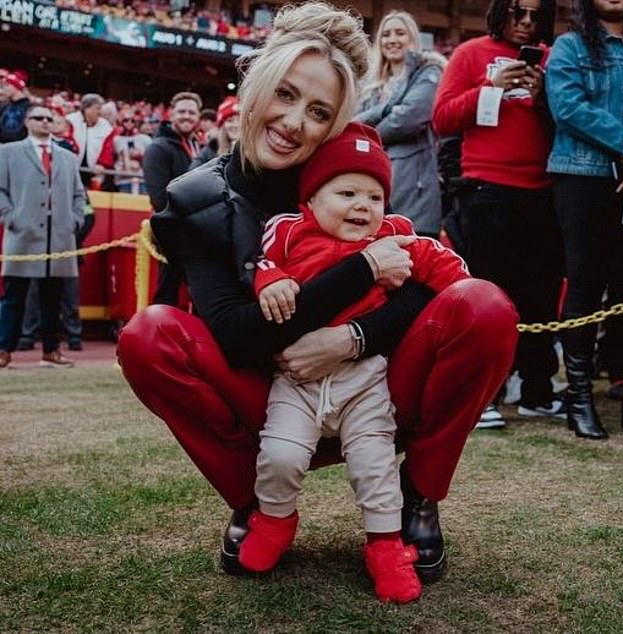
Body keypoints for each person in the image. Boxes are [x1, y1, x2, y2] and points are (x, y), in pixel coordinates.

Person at [118, 1, 518, 586]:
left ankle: (420, 498)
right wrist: (358, 273)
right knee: (148, 334)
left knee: (482, 305)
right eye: (284, 94)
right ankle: (256, 503)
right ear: (254, 84)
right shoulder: (193, 197)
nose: (293, 122)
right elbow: (236, 336)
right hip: (265, 392)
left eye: (318, 111)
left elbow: (423, 290)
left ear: (337, 123)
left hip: (374, 389)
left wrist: (352, 338)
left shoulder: (349, 172)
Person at [239, 122, 469, 602]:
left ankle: (386, 547)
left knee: (375, 465)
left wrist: (468, 293)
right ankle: (275, 520)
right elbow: (257, 264)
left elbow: (447, 269)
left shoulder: (396, 236)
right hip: (297, 378)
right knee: (279, 456)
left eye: (374, 197)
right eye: (346, 192)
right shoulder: (287, 231)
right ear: (312, 199)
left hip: (365, 379)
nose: (362, 206)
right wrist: (270, 282)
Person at [432, 0, 564, 429]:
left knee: (541, 296)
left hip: (543, 191)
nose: (525, 23)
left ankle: (536, 392)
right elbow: (443, 117)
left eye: (534, 16)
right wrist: (492, 89)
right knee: (490, 296)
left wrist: (544, 98)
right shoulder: (470, 53)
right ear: (499, 12)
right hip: (485, 190)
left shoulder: (550, 58)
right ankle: (483, 395)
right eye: (516, 13)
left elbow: (567, 124)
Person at [545, 0, 623, 439]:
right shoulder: (570, 46)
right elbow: (568, 108)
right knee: (584, 282)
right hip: (583, 177)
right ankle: (578, 396)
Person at [0, 105, 85, 368]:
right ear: (27, 122)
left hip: (59, 235)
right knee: (15, 296)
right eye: (39, 118)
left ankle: (51, 351)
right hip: (22, 233)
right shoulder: (7, 152)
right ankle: (4, 349)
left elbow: (79, 194)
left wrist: (75, 219)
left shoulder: (68, 157)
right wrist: (10, 216)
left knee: (53, 298)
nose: (46, 122)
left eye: (50, 119)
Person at [355, 10, 446, 238]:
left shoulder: (428, 71)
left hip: (413, 184)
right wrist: (388, 109)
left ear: (412, 38)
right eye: (386, 34)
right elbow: (354, 120)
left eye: (400, 33)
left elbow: (408, 118)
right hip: (372, 178)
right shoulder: (370, 85)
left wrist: (367, 132)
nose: (392, 40)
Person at [142, 91, 201, 305]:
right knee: (168, 289)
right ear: (171, 114)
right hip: (171, 230)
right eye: (182, 111)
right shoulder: (158, 148)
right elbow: (159, 198)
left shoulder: (197, 146)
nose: (187, 116)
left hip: (196, 229)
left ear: (198, 117)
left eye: (191, 112)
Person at [66, 93, 115, 189]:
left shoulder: (106, 126)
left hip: (93, 172)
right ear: (86, 108)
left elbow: (107, 149)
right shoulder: (69, 120)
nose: (100, 112)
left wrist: (102, 164)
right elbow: (67, 143)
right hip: (70, 169)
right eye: (97, 108)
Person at [113, 110, 152, 194]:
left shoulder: (144, 138)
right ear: (121, 122)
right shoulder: (117, 139)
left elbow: (151, 158)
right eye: (126, 120)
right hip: (123, 180)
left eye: (132, 120)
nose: (129, 123)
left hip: (141, 178)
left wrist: (140, 157)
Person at [0, 71, 31, 144]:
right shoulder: (5, 107)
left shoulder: (30, 108)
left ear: (15, 86)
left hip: (19, 149)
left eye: (6, 86)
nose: (3, 89)